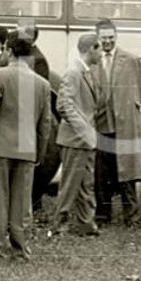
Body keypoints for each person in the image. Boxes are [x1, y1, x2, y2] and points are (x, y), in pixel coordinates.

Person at [0, 35, 52, 260]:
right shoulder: (42, 83)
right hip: (27, 148)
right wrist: (40, 153)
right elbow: (45, 125)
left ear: (8, 51)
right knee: (21, 204)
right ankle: (21, 249)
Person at [94, 19, 141, 226]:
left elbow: (139, 92)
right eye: (103, 38)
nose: (107, 42)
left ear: (116, 37)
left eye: (110, 38)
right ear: (97, 37)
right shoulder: (93, 59)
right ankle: (102, 214)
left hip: (124, 123)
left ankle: (132, 215)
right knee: (101, 172)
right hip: (101, 123)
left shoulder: (131, 59)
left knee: (128, 170)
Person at [52, 34, 104, 237]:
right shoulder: (74, 72)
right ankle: (59, 226)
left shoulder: (85, 71)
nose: (102, 54)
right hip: (76, 139)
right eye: (99, 49)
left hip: (85, 139)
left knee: (85, 183)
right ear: (91, 48)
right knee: (70, 184)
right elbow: (63, 105)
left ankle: (86, 223)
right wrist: (84, 130)